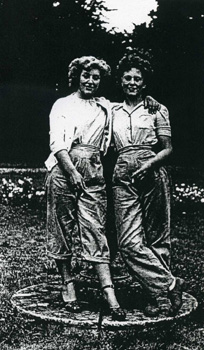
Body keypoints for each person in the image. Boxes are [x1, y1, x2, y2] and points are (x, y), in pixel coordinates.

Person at [45, 56, 126, 321]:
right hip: (64, 167)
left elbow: (130, 106)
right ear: (77, 76)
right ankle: (69, 287)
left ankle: (108, 292)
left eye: (96, 77)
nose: (90, 81)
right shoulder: (63, 104)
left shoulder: (104, 106)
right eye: (86, 76)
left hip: (93, 168)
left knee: (95, 228)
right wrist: (71, 172)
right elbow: (57, 143)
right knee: (62, 227)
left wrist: (150, 101)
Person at [111, 50, 185, 317]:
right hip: (123, 176)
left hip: (152, 171)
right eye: (127, 78)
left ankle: (158, 299)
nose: (132, 82)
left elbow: (168, 149)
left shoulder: (157, 109)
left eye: (137, 79)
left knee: (156, 238)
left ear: (144, 83)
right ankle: (170, 284)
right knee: (129, 243)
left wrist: (149, 165)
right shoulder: (111, 110)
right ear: (120, 81)